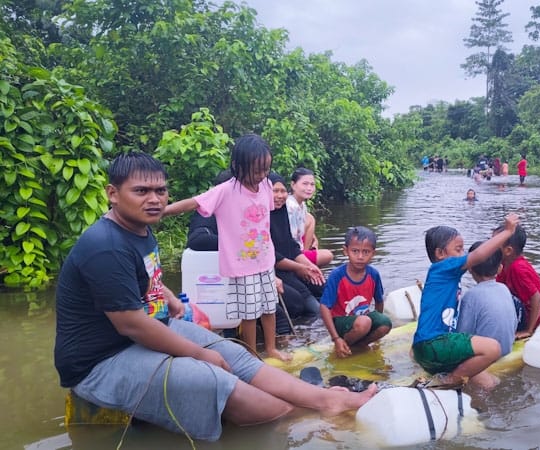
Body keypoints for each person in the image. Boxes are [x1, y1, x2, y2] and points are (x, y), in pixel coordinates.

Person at [53, 152, 377, 442]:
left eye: (160, 191)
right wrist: (198, 354)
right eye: (141, 191)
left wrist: (169, 297)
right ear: (113, 194)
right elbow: (132, 325)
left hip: (145, 332)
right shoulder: (105, 245)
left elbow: (141, 278)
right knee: (212, 378)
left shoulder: (139, 228)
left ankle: (324, 400)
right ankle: (301, 414)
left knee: (233, 354)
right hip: (102, 360)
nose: (154, 199)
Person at [164, 134, 289, 361]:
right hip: (242, 265)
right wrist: (162, 211)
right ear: (238, 166)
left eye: (266, 169)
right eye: (257, 170)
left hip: (265, 260)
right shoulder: (226, 190)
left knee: (270, 307)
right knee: (249, 314)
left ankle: (271, 348)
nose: (261, 175)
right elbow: (193, 202)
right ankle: (252, 355)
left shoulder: (266, 185)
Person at [412, 213, 519, 389]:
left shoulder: (443, 275)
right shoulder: (444, 268)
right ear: (440, 253)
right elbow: (479, 255)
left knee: (490, 384)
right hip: (434, 344)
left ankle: (453, 383)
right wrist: (507, 232)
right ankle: (452, 381)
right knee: (493, 348)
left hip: (428, 348)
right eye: (458, 249)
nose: (463, 254)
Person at [185, 169, 294, 336]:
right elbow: (197, 240)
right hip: (225, 280)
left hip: (252, 272)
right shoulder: (210, 212)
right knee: (272, 314)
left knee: (282, 308)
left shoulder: (246, 208)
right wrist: (233, 244)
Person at [320, 226, 392, 358]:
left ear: (373, 253)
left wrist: (377, 326)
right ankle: (342, 344)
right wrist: (336, 338)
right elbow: (324, 306)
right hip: (341, 322)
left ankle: (358, 346)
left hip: (361, 321)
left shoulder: (373, 274)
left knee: (385, 323)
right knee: (364, 322)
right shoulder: (337, 275)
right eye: (355, 251)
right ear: (345, 251)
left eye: (366, 252)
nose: (360, 257)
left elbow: (379, 302)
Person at [269, 171, 325, 319]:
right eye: (275, 191)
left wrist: (309, 266)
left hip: (288, 266)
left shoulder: (280, 213)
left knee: (321, 286)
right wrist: (300, 268)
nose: (280, 196)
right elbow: (270, 255)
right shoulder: (260, 217)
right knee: (298, 303)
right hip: (272, 270)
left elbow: (291, 245)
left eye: (282, 191)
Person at [456, 241, 517, 360]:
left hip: (485, 357)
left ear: (470, 268)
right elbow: (513, 323)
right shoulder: (504, 289)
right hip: (506, 349)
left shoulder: (471, 296)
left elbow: (462, 335)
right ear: (500, 268)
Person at [494, 223, 540, 340]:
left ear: (508, 251)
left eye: (495, 243)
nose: (490, 246)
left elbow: (537, 299)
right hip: (519, 309)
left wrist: (528, 330)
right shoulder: (503, 265)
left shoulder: (518, 268)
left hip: (531, 317)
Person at [286, 168, 334, 268]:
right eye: (305, 184)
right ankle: (303, 258)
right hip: (291, 252)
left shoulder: (301, 205)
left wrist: (314, 238)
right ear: (293, 185)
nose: (309, 188)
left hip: (295, 244)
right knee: (328, 255)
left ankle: (305, 255)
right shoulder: (291, 206)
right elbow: (291, 237)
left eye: (312, 185)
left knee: (309, 218)